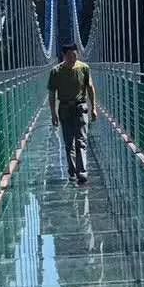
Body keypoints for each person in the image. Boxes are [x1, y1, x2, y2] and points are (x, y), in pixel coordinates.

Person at [48, 43, 98, 184]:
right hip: (64, 109)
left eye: (75, 55)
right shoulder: (55, 71)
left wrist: (93, 107)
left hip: (80, 107)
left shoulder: (84, 68)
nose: (73, 58)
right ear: (64, 56)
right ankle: (72, 171)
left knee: (81, 140)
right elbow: (52, 94)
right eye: (70, 55)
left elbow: (90, 88)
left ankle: (82, 173)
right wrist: (53, 114)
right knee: (69, 143)